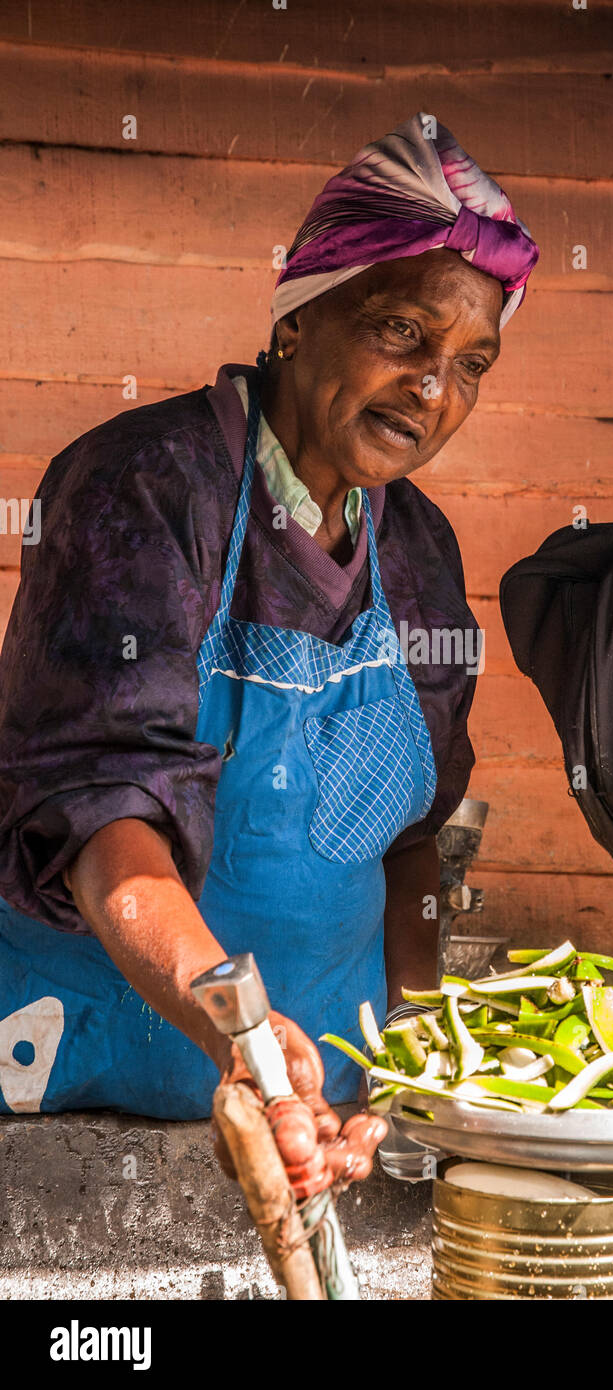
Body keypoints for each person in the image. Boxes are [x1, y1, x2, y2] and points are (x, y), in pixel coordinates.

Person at [0, 113, 537, 1187]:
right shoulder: (147, 489)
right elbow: (104, 814)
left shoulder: (418, 549)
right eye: (399, 332)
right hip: (83, 1102)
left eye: (469, 362)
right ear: (297, 317)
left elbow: (413, 842)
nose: (433, 391)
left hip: (314, 1114)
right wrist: (236, 1028)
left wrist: (413, 1059)